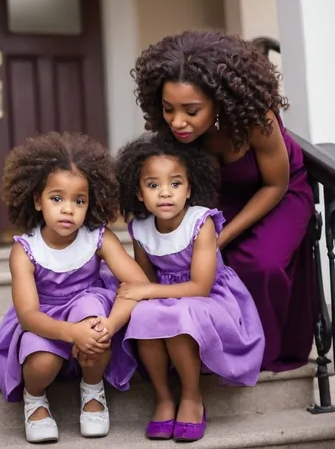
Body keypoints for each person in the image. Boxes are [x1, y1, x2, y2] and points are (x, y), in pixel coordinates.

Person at [132, 30, 316, 373]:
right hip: (219, 198)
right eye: (168, 109)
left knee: (257, 264)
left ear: (219, 102)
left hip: (277, 192)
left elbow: (276, 184)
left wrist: (222, 236)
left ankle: (261, 353)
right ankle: (206, 348)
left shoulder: (256, 121)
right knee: (190, 263)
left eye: (191, 110)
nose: (177, 121)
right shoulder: (174, 132)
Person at [0, 132, 150, 443]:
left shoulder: (98, 237)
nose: (68, 209)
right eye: (56, 199)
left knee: (91, 313)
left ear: (91, 202)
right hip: (44, 317)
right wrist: (71, 334)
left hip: (85, 310)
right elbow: (28, 315)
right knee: (42, 362)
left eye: (79, 201)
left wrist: (109, 325)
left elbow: (137, 282)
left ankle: (92, 389)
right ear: (37, 200)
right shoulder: (26, 250)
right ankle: (35, 399)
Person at [115, 134, 265, 442]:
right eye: (153, 185)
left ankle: (192, 396)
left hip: (210, 298)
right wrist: (146, 294)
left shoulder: (201, 222)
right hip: (164, 293)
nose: (165, 193)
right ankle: (163, 397)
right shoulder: (140, 228)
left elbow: (199, 286)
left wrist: (148, 293)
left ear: (189, 188)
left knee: (179, 316)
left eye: (175, 183)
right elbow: (146, 279)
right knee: (144, 315)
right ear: (140, 194)